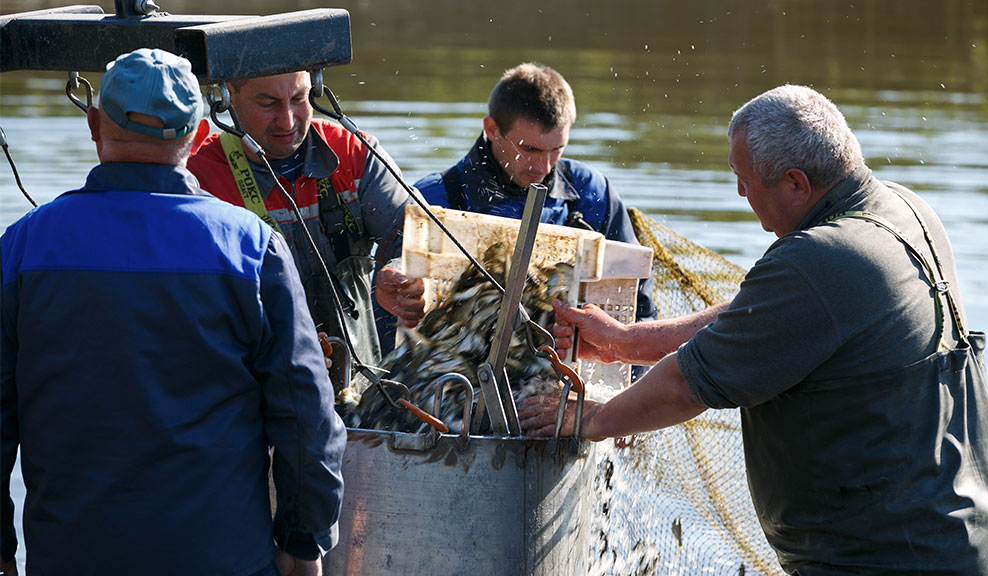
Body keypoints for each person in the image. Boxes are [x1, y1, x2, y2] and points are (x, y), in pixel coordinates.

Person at [520, 85, 988, 574]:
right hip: (982, 536)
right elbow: (759, 313)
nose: (739, 192)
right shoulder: (904, 209)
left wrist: (587, 419)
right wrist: (627, 343)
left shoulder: (820, 259)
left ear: (796, 184)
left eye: (745, 179)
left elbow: (686, 384)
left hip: (893, 558)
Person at [1, 49, 346, 575]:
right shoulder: (252, 249)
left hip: (72, 556)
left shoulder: (23, 249)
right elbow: (305, 415)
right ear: (199, 134)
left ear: (94, 124)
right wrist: (304, 540)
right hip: (221, 558)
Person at [412, 62, 657, 364]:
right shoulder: (433, 199)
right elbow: (390, 320)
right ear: (492, 130)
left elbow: (639, 308)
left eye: (557, 149)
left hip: (562, 373)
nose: (544, 168)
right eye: (530, 150)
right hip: (454, 376)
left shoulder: (592, 194)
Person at [187, 70, 426, 380]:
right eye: (268, 103)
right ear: (228, 98)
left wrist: (401, 274)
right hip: (258, 395)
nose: (287, 121)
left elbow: (420, 232)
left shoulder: (353, 153)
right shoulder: (199, 180)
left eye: (298, 99)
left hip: (360, 393)